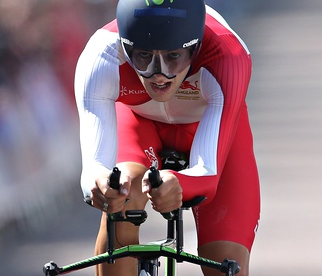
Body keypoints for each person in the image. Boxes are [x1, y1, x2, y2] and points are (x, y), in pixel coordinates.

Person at [74, 0, 260, 275]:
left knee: (225, 259)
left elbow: (207, 172)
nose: (159, 74)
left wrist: (181, 183)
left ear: (195, 48)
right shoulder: (101, 55)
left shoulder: (227, 56)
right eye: (143, 56)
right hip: (140, 122)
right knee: (123, 194)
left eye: (174, 56)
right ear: (125, 48)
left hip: (204, 128)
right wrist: (103, 187)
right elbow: (94, 168)